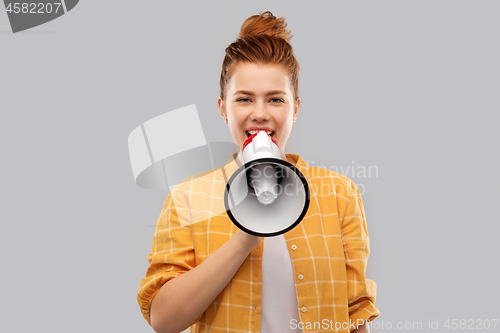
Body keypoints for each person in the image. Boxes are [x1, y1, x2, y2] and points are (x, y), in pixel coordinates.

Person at [137, 11, 379, 333]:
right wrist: (244, 238)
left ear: (296, 108)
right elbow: (164, 320)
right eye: (244, 99)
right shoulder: (188, 198)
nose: (260, 114)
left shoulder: (339, 193)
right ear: (223, 108)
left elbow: (355, 316)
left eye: (276, 99)